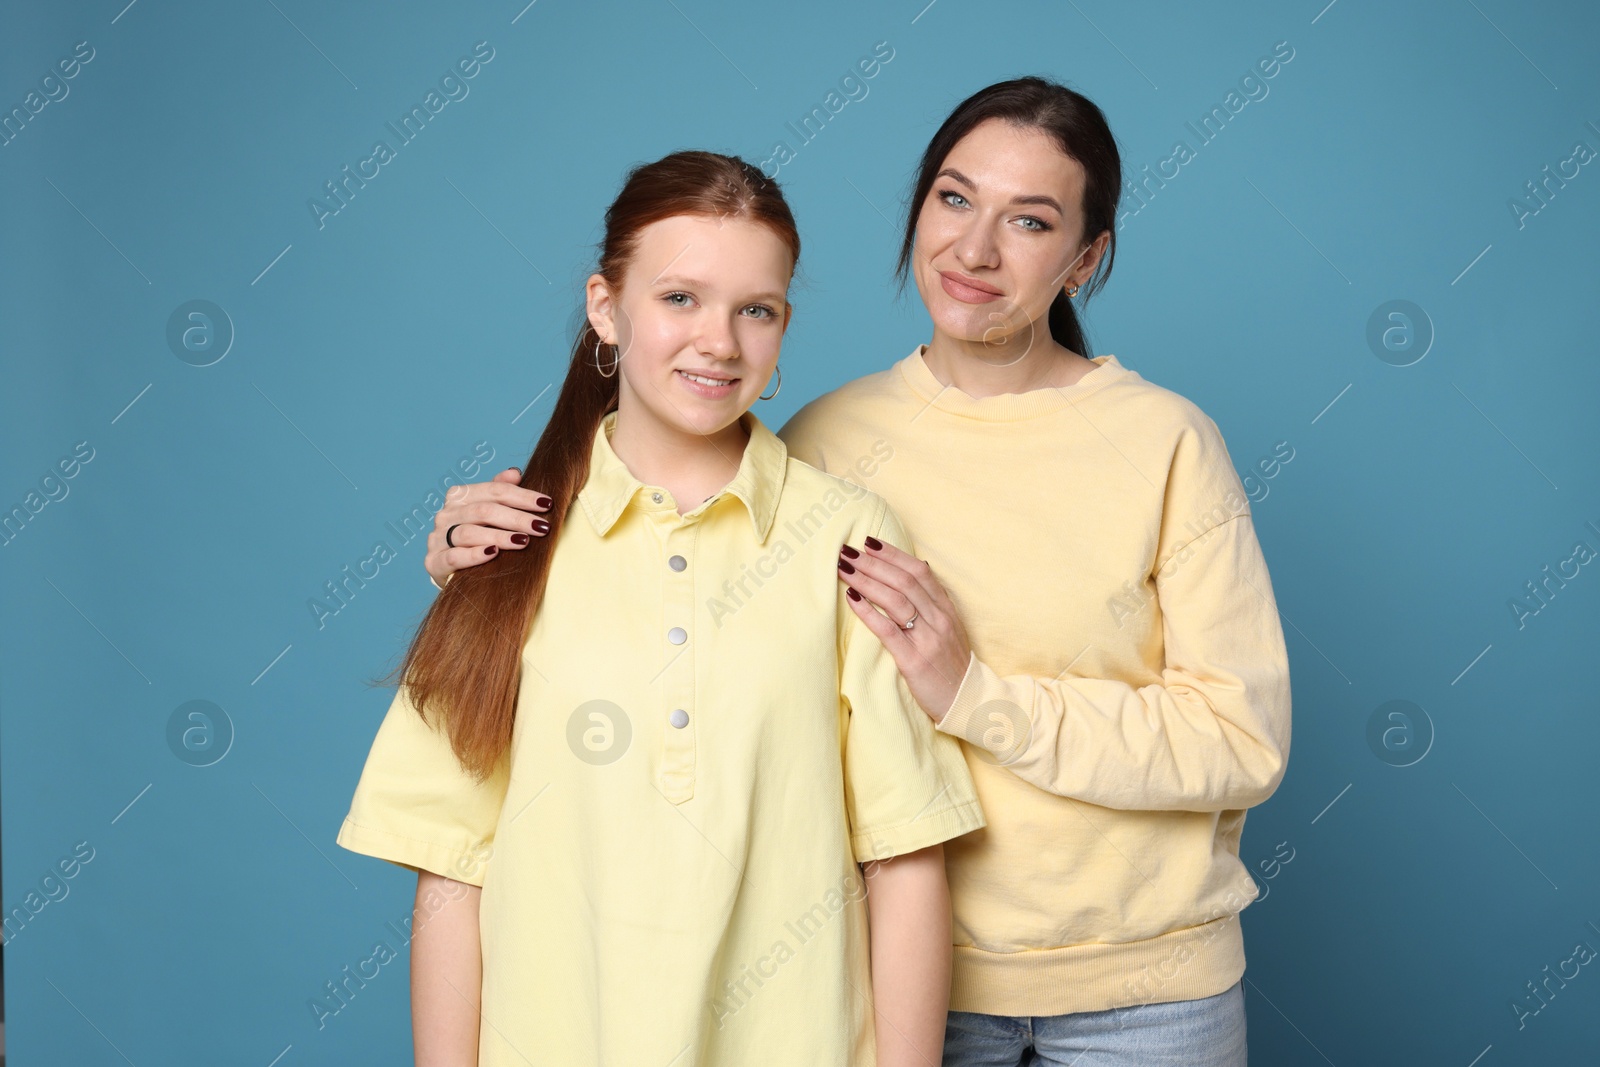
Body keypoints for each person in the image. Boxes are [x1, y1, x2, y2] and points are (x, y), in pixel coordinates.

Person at [424, 78, 1291, 1066]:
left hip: (1144, 998)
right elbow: (665, 630)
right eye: (954, 199)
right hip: (895, 987)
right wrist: (479, 566)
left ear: (1085, 259)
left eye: (1031, 220)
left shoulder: (1167, 441)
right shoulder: (824, 446)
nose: (974, 249)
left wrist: (977, 695)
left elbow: (1239, 740)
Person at [337, 149, 985, 1067]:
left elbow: (906, 853)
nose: (719, 341)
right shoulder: (503, 547)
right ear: (608, 307)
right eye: (680, 297)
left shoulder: (848, 535)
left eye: (754, 309)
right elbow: (450, 867)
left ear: (783, 326)